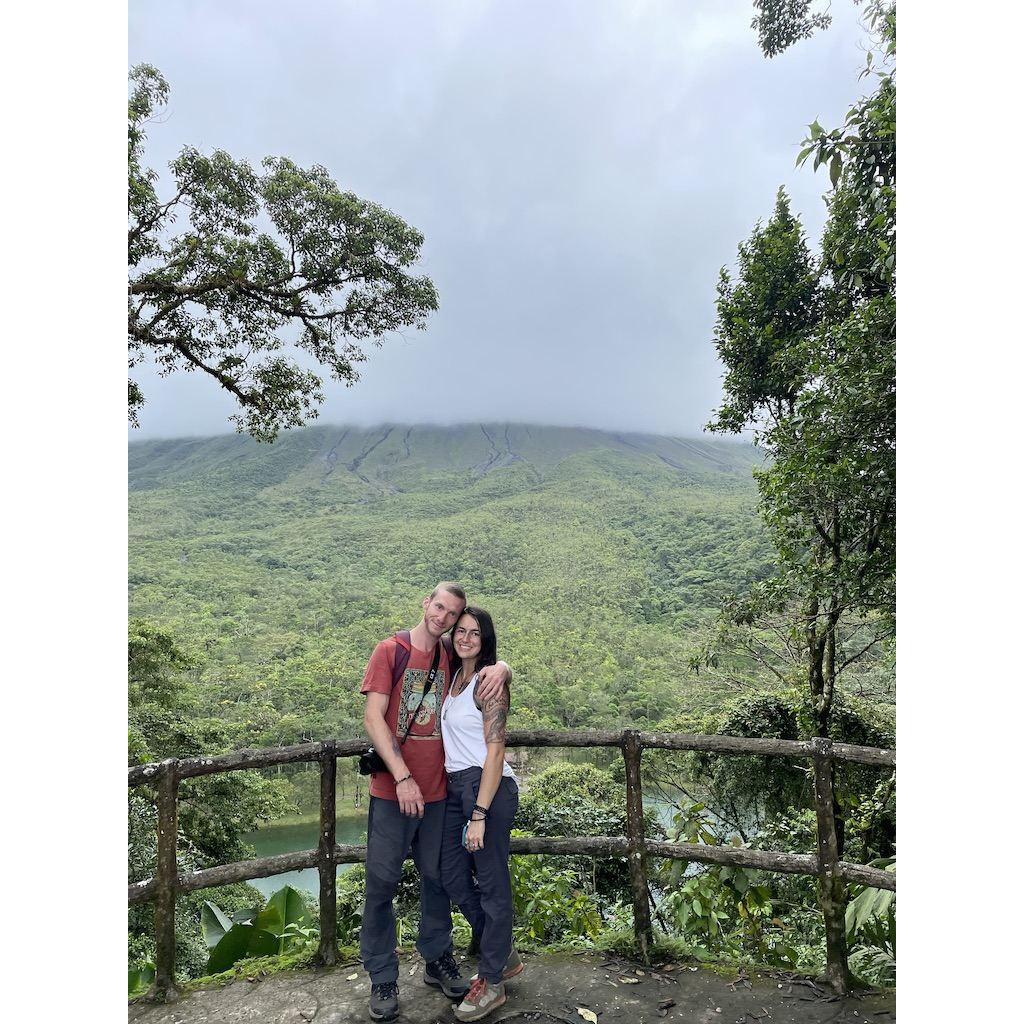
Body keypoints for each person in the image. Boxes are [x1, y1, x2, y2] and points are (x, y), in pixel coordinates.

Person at [359, 583, 512, 1022]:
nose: (444, 619)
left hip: (440, 792)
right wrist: (403, 777)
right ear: (426, 604)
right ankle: (383, 976)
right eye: (440, 608)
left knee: (437, 878)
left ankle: (438, 958)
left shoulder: (449, 655)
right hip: (394, 790)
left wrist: (504, 666)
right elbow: (373, 717)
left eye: (453, 614)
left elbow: (484, 659)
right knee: (382, 883)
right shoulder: (390, 650)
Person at [440, 607, 522, 1022]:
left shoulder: (487, 683)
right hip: (456, 787)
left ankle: (492, 982)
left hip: (486, 790)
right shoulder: (453, 676)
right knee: (449, 872)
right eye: (461, 631)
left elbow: (495, 751)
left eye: (475, 633)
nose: (466, 638)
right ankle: (502, 950)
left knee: (491, 883)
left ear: (485, 639)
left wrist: (479, 813)